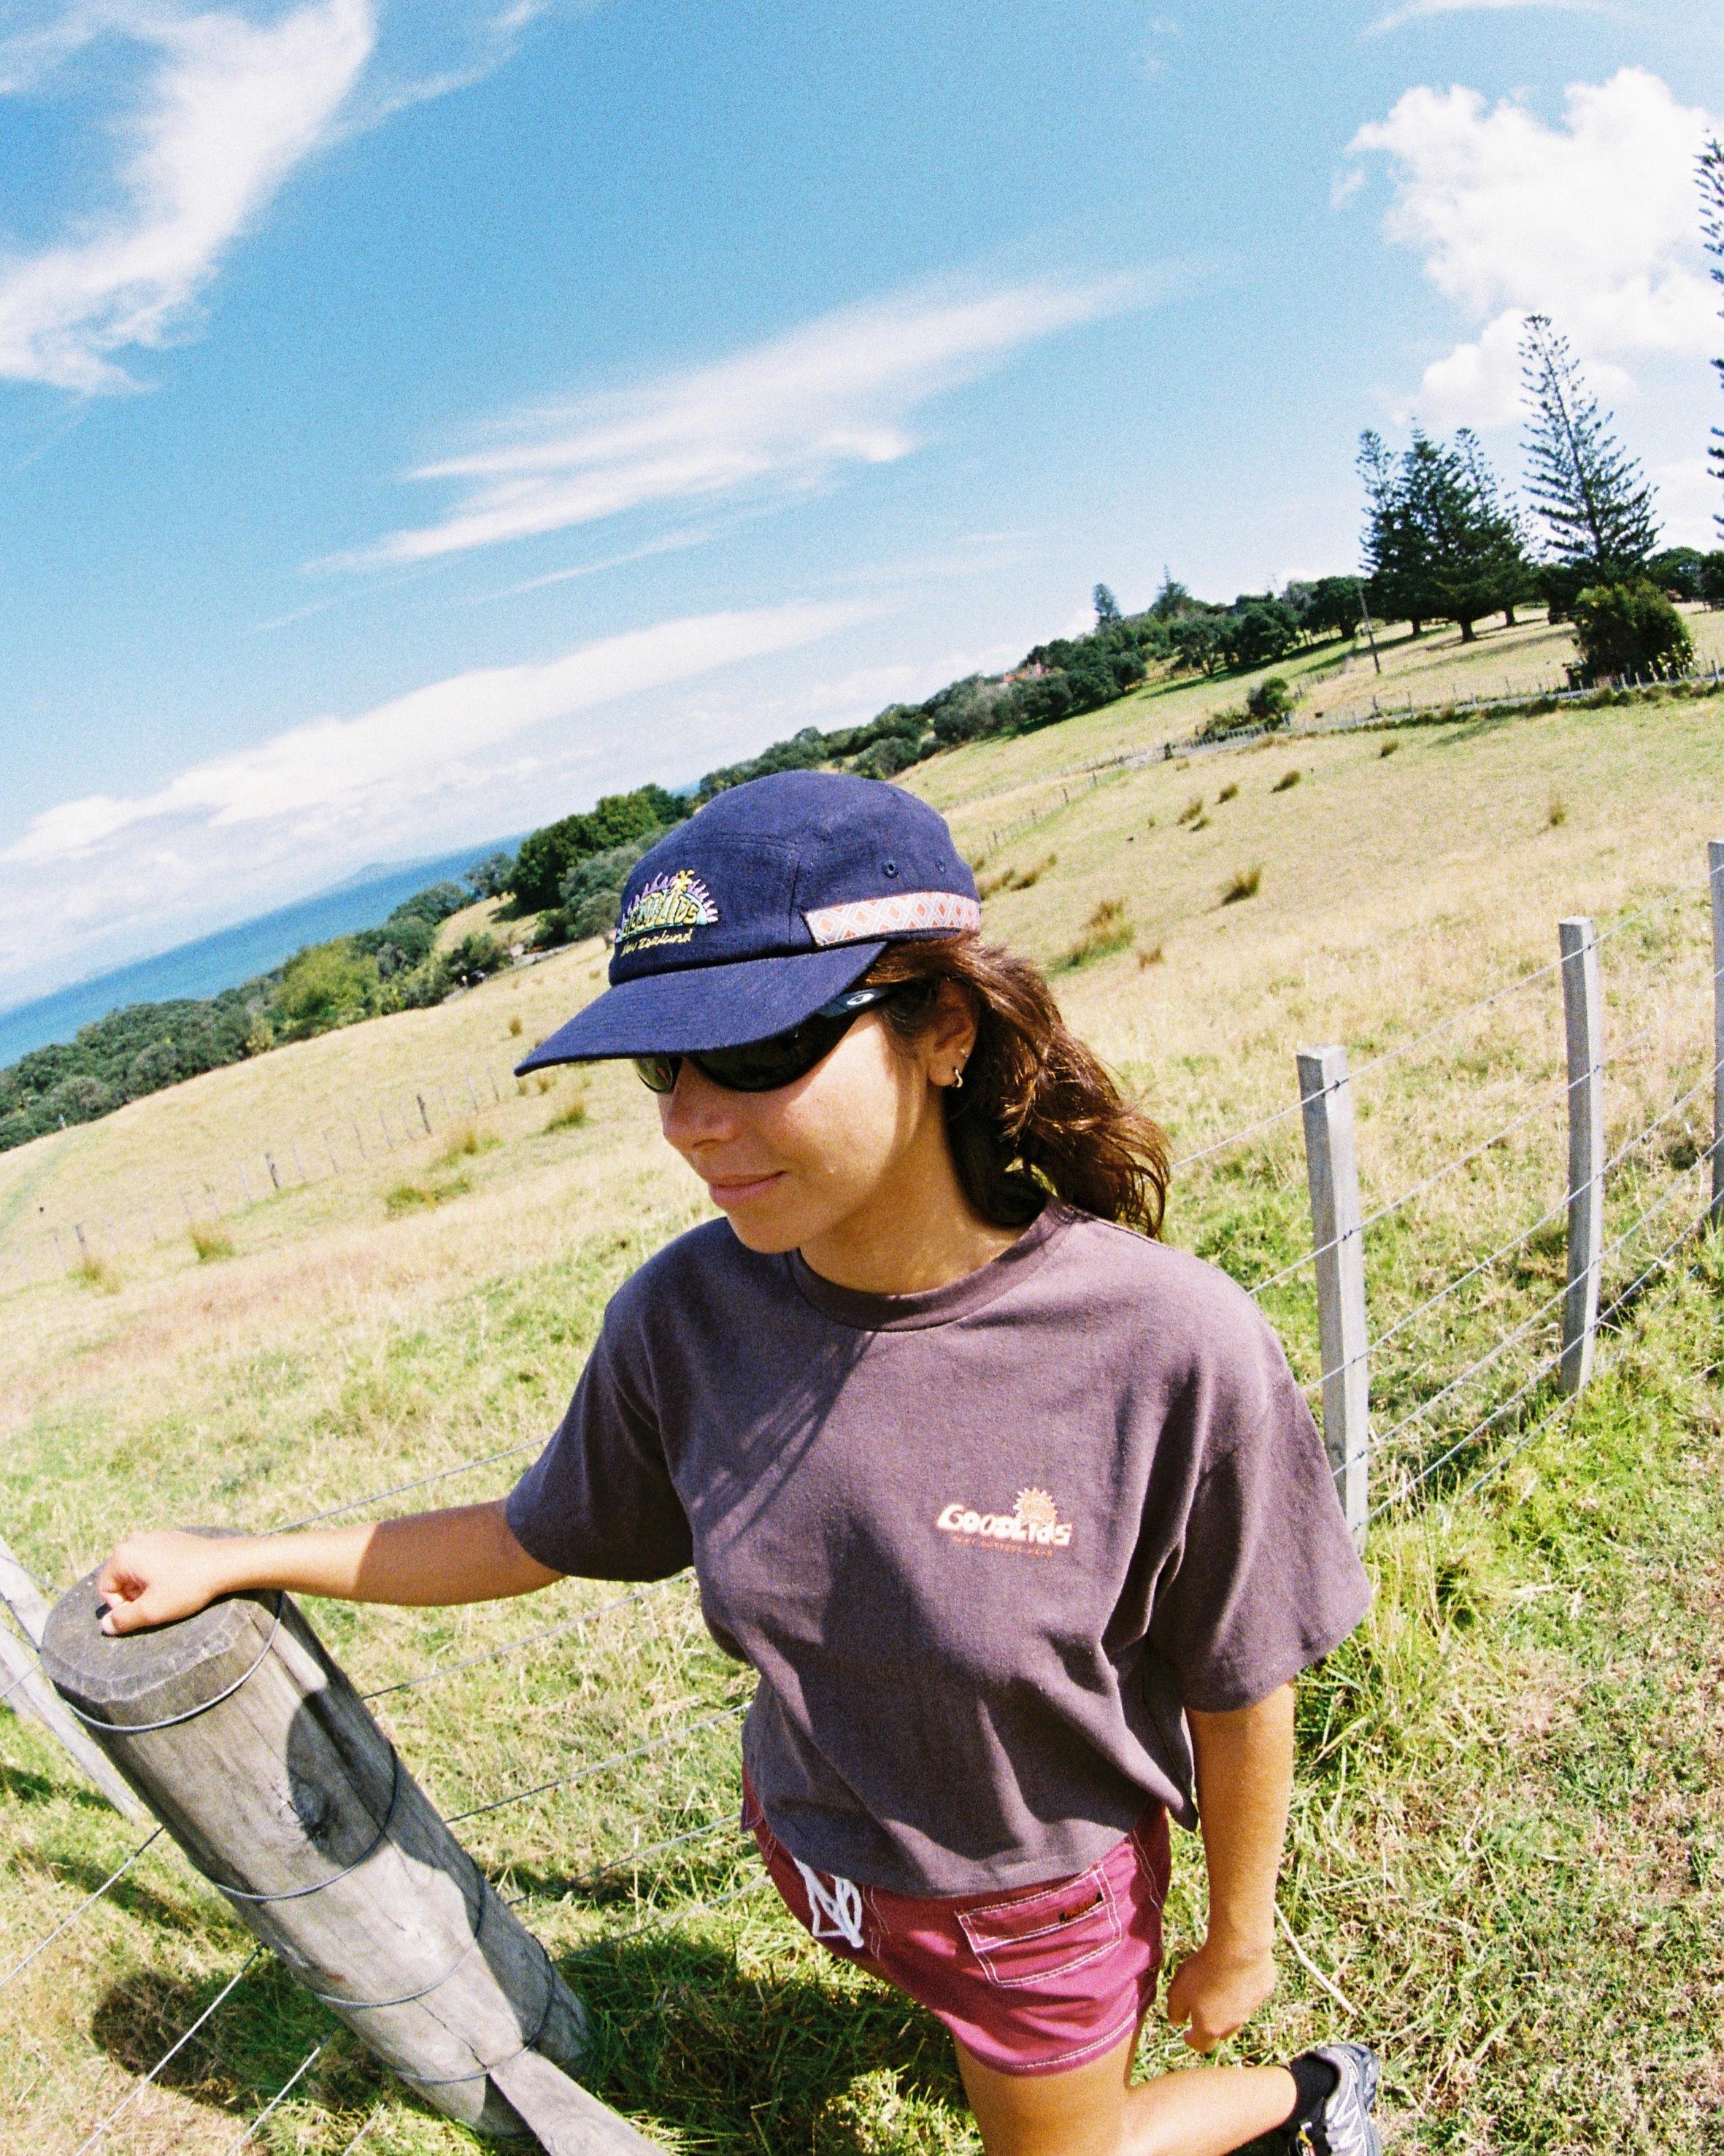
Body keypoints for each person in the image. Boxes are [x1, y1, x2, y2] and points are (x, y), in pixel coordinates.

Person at [98, 771, 1379, 2156]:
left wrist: (1234, 1939)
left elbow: (1241, 1681)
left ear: (941, 1027)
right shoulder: (686, 1316)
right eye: (663, 1065)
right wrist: (243, 1558)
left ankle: (1306, 2098)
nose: (688, 1120)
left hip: (1032, 1904)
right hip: (820, 1849)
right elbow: (531, 1536)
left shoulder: (1166, 1344)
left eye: (758, 1049)